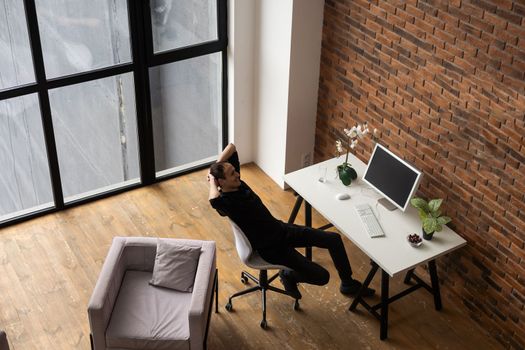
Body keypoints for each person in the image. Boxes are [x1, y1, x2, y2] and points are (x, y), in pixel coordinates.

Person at [207, 143, 374, 299]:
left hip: (280, 229)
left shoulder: (237, 184)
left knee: (333, 239)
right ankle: (288, 275)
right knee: (322, 276)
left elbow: (232, 147)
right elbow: (213, 199)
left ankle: (348, 284)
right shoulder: (227, 203)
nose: (237, 174)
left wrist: (215, 167)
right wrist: (212, 179)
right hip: (272, 248)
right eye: (231, 174)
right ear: (221, 182)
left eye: (235, 170)